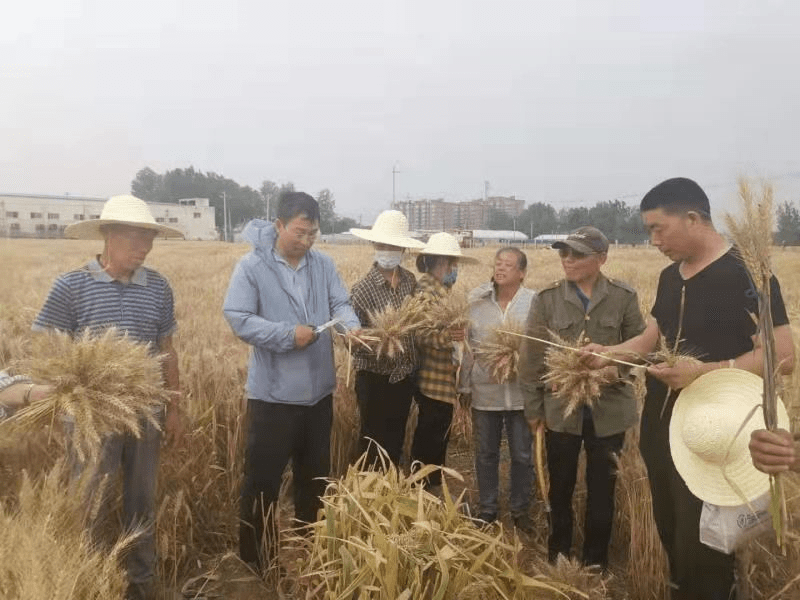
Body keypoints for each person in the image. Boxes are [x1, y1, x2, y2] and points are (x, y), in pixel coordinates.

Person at [582, 178, 795, 599]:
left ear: (693, 218)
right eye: (649, 231)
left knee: (707, 547)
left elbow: (783, 357)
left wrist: (704, 372)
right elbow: (651, 342)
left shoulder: (747, 273)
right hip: (664, 429)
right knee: (672, 533)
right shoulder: (668, 277)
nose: (653, 240)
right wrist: (609, 352)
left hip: (717, 435)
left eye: (658, 228)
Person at [32, 194, 184, 600]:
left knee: (141, 502)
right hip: (90, 420)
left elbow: (166, 349)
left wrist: (174, 406)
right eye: (136, 237)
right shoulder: (71, 287)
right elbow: (49, 351)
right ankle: (94, 584)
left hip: (145, 414)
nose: (145, 247)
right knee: (90, 503)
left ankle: (141, 583)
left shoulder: (158, 287)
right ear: (108, 236)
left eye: (149, 239)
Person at [223, 191, 360, 572]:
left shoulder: (323, 265)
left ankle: (309, 550)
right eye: (299, 232)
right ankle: (256, 561)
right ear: (279, 225)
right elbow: (238, 316)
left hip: (318, 395)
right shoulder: (252, 267)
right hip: (273, 397)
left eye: (313, 234)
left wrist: (352, 329)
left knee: (314, 478)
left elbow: (340, 304)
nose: (306, 241)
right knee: (263, 482)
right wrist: (288, 335)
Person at [518, 226, 645, 569]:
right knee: (560, 487)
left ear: (601, 259)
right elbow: (531, 358)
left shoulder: (623, 297)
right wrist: (533, 409)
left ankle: (595, 561)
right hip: (560, 411)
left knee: (602, 489)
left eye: (577, 254)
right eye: (564, 253)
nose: (568, 259)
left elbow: (642, 349)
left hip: (609, 412)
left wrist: (614, 371)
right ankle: (558, 556)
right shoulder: (546, 299)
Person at [463, 247, 536, 530]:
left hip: (521, 395)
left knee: (522, 455)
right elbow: (467, 346)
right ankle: (488, 509)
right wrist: (465, 386)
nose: (500, 268)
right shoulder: (476, 303)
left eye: (508, 264)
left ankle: (520, 511)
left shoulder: (534, 303)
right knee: (485, 453)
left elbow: (542, 346)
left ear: (522, 273)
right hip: (486, 392)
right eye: (497, 263)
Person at [349, 210, 424, 468]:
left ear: (403, 249)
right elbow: (350, 339)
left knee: (395, 438)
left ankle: (390, 490)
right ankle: (368, 492)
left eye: (394, 246)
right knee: (371, 441)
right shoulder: (362, 290)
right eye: (383, 245)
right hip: (373, 377)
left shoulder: (410, 282)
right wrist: (377, 340)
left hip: (403, 376)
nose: (388, 250)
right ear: (374, 245)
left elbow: (417, 323)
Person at [411, 232, 478, 488]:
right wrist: (449, 336)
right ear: (442, 263)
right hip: (433, 380)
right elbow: (419, 334)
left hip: (443, 381)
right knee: (430, 438)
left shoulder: (442, 290)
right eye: (454, 265)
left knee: (437, 437)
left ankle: (430, 488)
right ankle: (422, 489)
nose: (455, 270)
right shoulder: (427, 291)